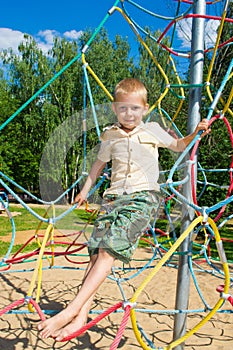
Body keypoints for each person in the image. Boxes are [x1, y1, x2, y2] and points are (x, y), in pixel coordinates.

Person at [38, 78, 210, 341]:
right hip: (112, 199)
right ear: (115, 108)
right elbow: (97, 165)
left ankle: (70, 310)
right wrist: (84, 191)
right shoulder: (110, 134)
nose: (129, 114)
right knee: (95, 256)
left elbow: (178, 145)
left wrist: (195, 133)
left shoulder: (152, 130)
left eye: (135, 109)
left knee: (108, 252)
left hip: (142, 198)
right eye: (123, 108)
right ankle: (81, 316)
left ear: (145, 109)